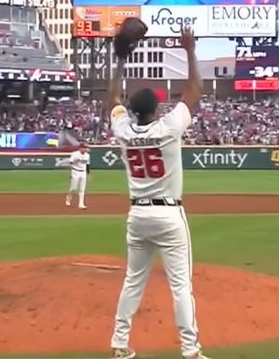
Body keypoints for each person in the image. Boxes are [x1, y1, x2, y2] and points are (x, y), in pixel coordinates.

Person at [107, 26, 209, 359]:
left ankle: (120, 343)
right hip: (168, 215)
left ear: (133, 110)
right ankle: (190, 351)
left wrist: (120, 61)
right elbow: (195, 91)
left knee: (133, 280)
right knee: (180, 286)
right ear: (157, 108)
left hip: (137, 215)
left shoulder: (123, 129)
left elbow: (112, 101)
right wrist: (189, 51)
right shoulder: (168, 127)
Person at [65, 143, 90, 209]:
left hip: (83, 172)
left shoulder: (87, 155)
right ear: (80, 148)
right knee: (74, 188)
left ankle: (81, 204)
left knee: (82, 189)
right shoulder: (75, 154)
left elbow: (87, 165)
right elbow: (70, 163)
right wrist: (70, 173)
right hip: (75, 171)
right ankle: (68, 197)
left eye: (86, 148)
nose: (85, 149)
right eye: (84, 148)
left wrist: (88, 174)